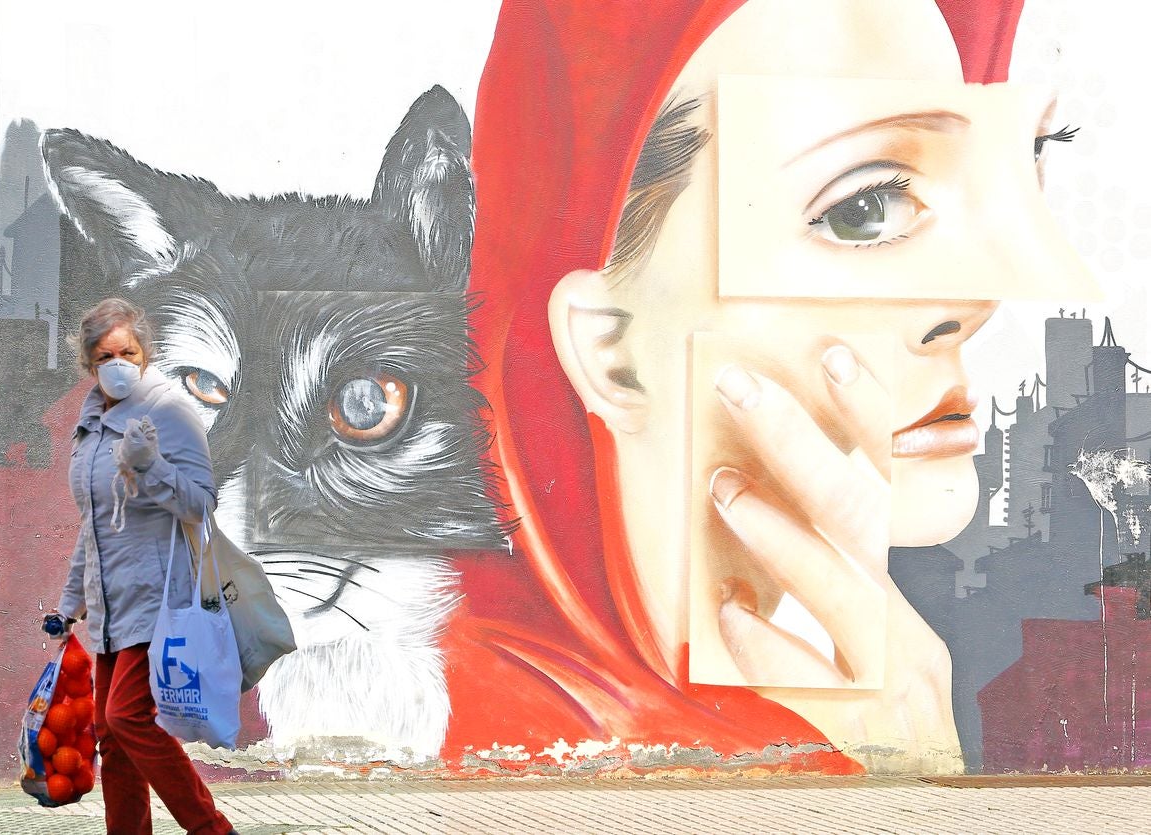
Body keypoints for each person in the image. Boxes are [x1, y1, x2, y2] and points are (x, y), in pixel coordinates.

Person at [446, 0, 1096, 773]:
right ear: (607, 347)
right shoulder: (471, 739)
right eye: (862, 209)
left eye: (1019, 164)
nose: (974, 307)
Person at [48, 298, 236, 834]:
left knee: (128, 717)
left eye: (128, 351)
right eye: (106, 355)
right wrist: (69, 606)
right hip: (111, 606)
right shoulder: (89, 427)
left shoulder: (170, 411)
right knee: (113, 734)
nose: (118, 363)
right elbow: (95, 525)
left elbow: (201, 503)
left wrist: (149, 466)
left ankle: (211, 828)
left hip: (160, 598)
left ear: (145, 353)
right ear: (89, 364)